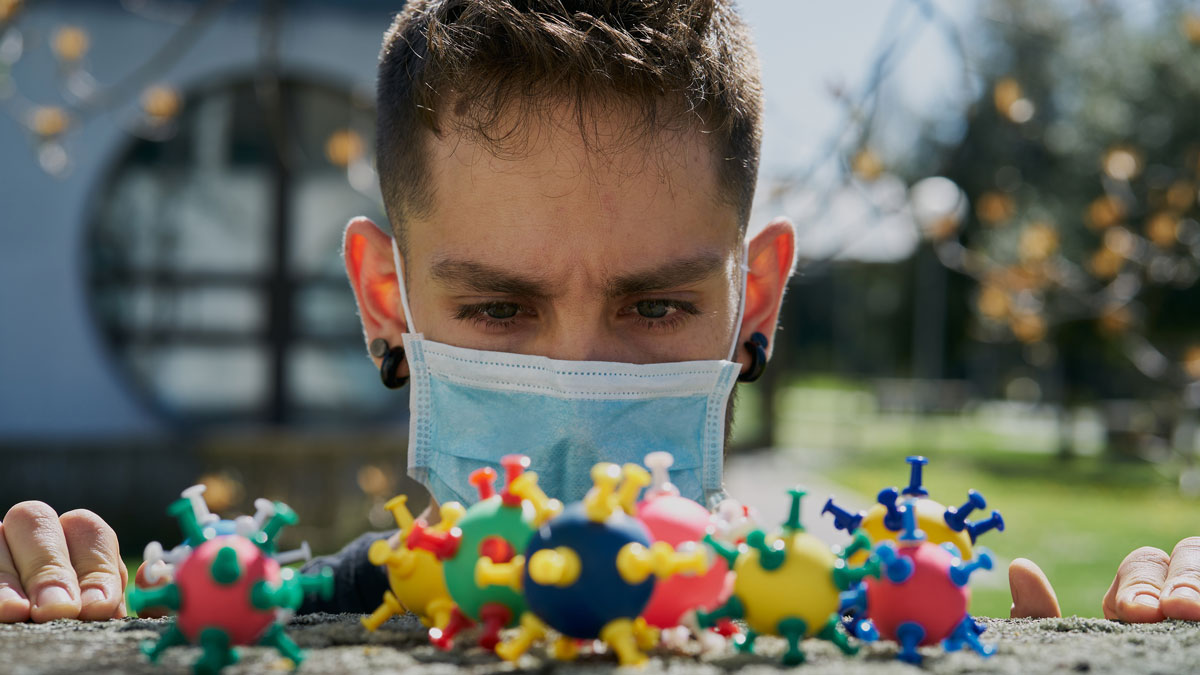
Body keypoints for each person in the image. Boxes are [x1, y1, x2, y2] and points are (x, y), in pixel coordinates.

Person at [1, 0, 1196, 625]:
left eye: (659, 303)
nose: (574, 383)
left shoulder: (859, 625)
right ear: (386, 301)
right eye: (502, 307)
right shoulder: (289, 615)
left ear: (753, 301)